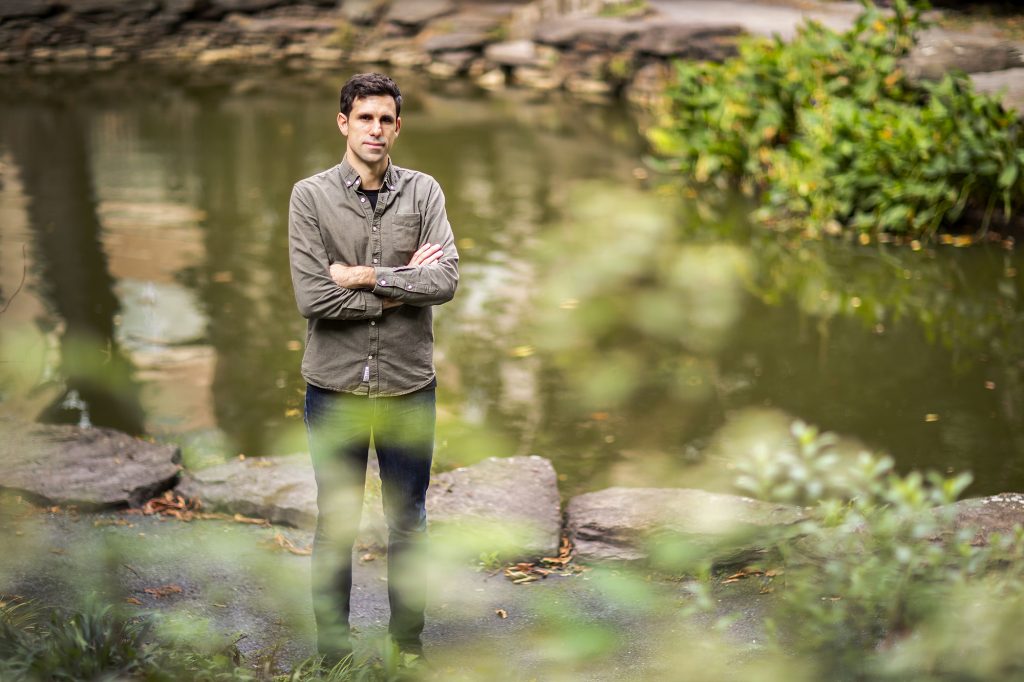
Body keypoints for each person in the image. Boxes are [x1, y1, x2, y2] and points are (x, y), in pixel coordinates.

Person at [287, 72, 458, 662]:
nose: (376, 130)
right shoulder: (309, 197)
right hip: (333, 389)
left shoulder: (425, 193)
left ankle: (406, 651)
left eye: (386, 119)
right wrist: (403, 283)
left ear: (398, 126)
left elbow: (445, 280)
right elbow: (313, 298)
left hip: (409, 388)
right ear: (343, 122)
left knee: (408, 523)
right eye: (365, 118)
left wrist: (362, 275)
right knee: (335, 525)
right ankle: (332, 655)